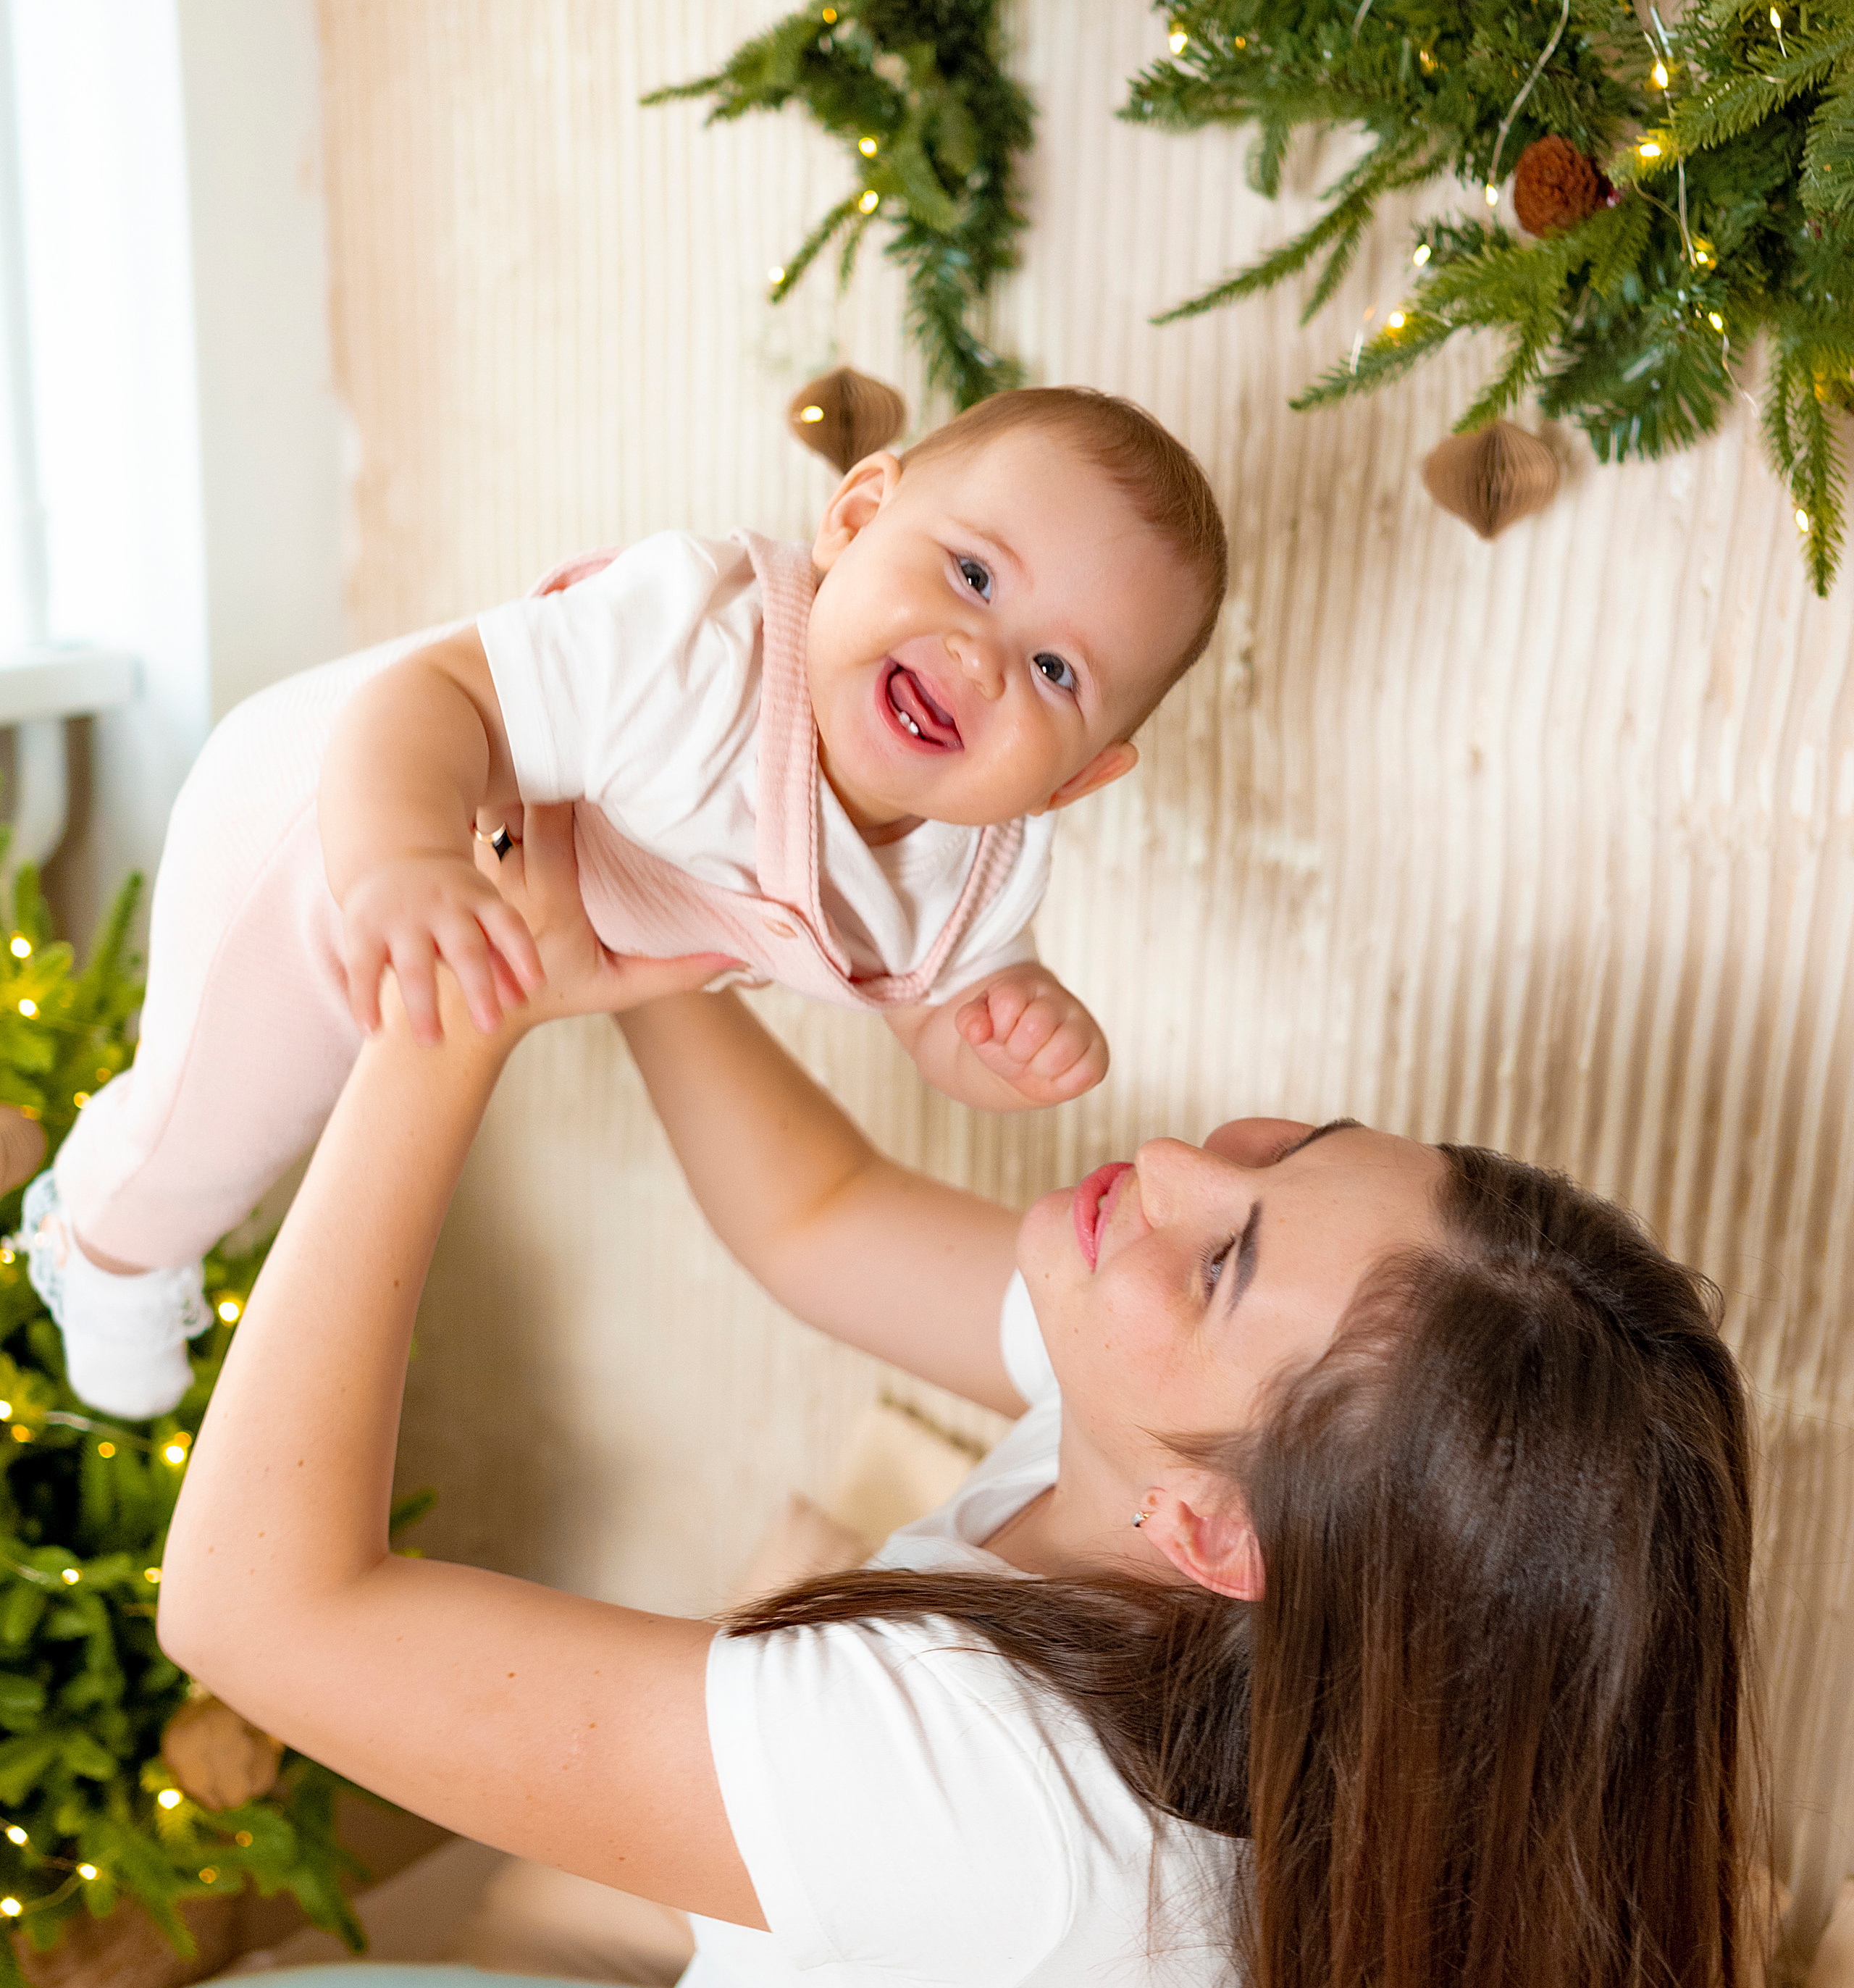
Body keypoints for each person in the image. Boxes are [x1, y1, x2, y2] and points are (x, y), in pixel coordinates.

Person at [71, 810, 1763, 1988]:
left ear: (1217, 1542)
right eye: (1287, 1146)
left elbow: (253, 1610)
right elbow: (816, 1213)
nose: (1173, 1166)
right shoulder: (1197, 1504)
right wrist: (640, 909)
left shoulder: (973, 1773)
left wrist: (444, 1026)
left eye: (1227, 1254)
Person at [22, 385, 1225, 1417]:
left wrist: (996, 1027)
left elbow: (925, 1002)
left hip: (486, 896)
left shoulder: (985, 861)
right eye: (971, 574)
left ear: (1081, 775)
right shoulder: (694, 642)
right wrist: (397, 862)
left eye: (1057, 671)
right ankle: (103, 1239)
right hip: (326, 808)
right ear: (855, 518)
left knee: (327, 1109)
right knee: (219, 1119)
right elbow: (428, 693)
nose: (981, 654)